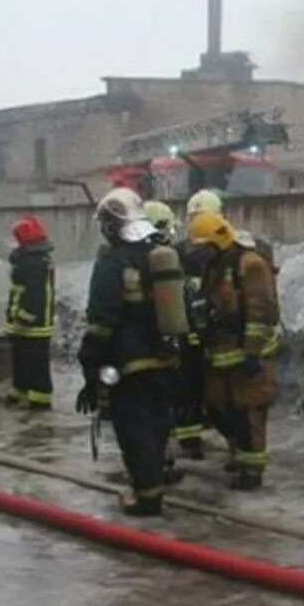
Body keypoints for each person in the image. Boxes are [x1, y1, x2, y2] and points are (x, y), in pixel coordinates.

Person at [76, 188, 178, 516]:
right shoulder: (159, 255)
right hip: (164, 359)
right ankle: (154, 484)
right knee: (157, 424)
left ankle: (147, 498)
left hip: (127, 363)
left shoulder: (112, 262)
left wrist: (90, 369)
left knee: (134, 429)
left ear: (110, 226)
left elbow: (101, 323)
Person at [189, 212, 282, 490]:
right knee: (219, 407)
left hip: (249, 355)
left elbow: (260, 311)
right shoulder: (214, 267)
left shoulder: (249, 265)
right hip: (221, 352)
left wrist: (252, 352)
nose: (200, 253)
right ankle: (238, 456)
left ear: (217, 241)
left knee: (249, 411)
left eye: (203, 246)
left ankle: (252, 473)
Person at [145, 200, 207, 461]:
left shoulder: (136, 258)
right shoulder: (167, 259)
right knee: (181, 392)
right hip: (176, 342)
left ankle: (172, 447)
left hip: (154, 343)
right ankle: (183, 444)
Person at [4, 215, 56, 410]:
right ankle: (21, 390)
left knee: (35, 362)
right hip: (25, 322)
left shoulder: (34, 263)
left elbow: (35, 295)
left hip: (32, 324)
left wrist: (23, 318)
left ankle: (39, 399)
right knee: (21, 359)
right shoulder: (34, 260)